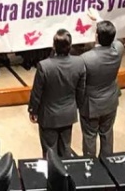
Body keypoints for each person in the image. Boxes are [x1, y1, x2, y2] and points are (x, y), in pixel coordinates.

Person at [28, 28, 86, 157]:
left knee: (50, 152)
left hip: (48, 115)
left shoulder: (44, 66)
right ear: (70, 45)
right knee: (65, 148)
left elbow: (37, 92)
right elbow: (81, 90)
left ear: (54, 46)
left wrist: (33, 111)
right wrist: (77, 106)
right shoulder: (79, 63)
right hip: (68, 113)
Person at [79, 20, 124, 157]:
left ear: (97, 36)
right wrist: (99, 19)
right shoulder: (118, 49)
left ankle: (90, 164)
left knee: (89, 136)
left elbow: (81, 85)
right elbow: (114, 39)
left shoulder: (85, 58)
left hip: (91, 104)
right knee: (107, 133)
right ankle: (107, 162)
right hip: (110, 100)